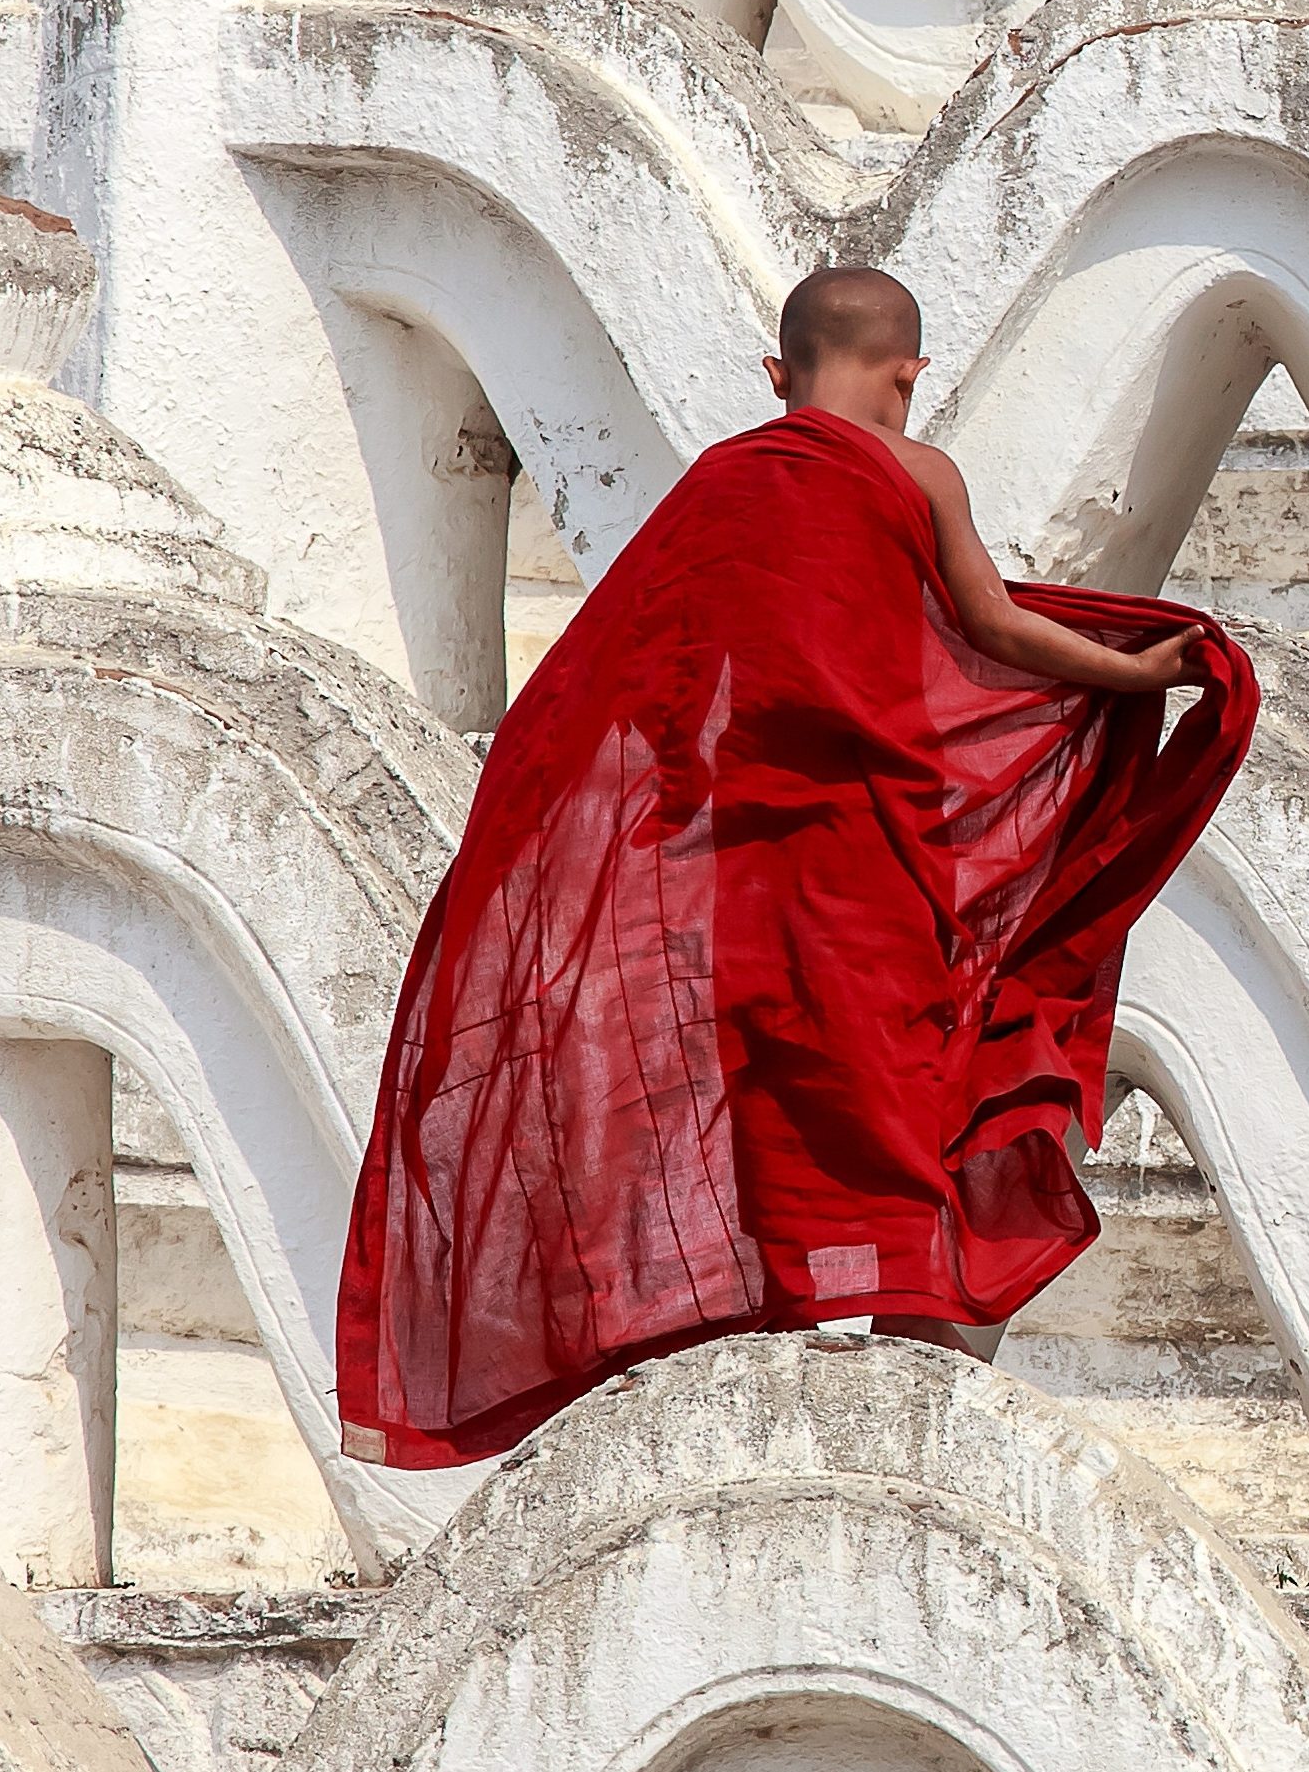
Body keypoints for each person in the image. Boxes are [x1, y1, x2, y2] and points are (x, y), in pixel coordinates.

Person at [335, 265, 1255, 1464]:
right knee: (897, 1071)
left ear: (778, 377)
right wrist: (1140, 673)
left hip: (746, 861)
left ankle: (772, 1315)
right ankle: (906, 1336)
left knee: (767, 1072)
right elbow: (995, 626)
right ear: (909, 374)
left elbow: (645, 665)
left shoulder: (728, 477)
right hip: (880, 852)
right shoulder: (919, 472)